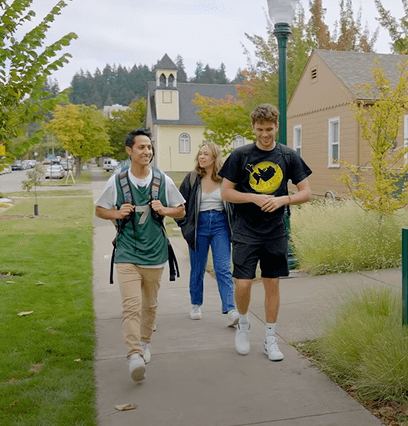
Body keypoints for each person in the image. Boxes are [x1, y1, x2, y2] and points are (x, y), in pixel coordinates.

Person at [219, 104, 312, 362]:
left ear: (277, 127)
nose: (264, 134)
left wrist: (282, 200)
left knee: (272, 283)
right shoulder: (240, 156)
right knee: (243, 283)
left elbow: (306, 192)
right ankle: (244, 323)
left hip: (274, 231)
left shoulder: (288, 156)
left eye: (269, 129)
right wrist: (253, 198)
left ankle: (270, 337)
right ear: (253, 128)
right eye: (259, 129)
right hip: (246, 230)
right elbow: (225, 192)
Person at [95, 128, 185, 382]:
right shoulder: (118, 180)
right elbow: (100, 209)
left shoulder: (162, 180)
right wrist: (117, 214)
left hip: (155, 253)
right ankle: (134, 355)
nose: (147, 152)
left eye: (149, 147)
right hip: (126, 252)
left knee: (150, 305)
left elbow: (181, 210)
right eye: (141, 147)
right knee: (131, 307)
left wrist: (164, 209)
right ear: (129, 151)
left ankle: (145, 342)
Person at [175, 142, 237, 325]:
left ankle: (230, 308)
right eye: (200, 154)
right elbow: (178, 204)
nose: (201, 157)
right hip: (198, 226)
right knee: (198, 269)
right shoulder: (192, 178)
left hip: (220, 226)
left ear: (214, 158)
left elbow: (234, 204)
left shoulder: (225, 179)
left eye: (206, 154)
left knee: (223, 268)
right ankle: (195, 304)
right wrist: (185, 226)